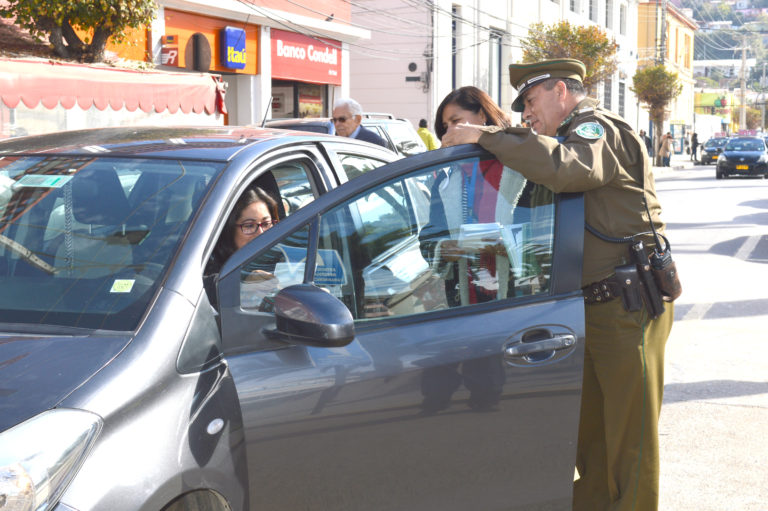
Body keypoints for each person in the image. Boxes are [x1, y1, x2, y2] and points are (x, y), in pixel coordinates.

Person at [441, 58, 675, 511]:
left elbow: (568, 170)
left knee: (630, 438)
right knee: (590, 437)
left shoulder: (597, 131)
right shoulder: (561, 140)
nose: (527, 113)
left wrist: (486, 135)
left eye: (531, 100)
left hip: (627, 304)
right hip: (587, 305)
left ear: (561, 91)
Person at [205, 187, 280, 308]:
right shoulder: (208, 268)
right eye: (249, 226)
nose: (261, 233)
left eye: (266, 224)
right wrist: (241, 285)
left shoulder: (287, 261)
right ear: (228, 230)